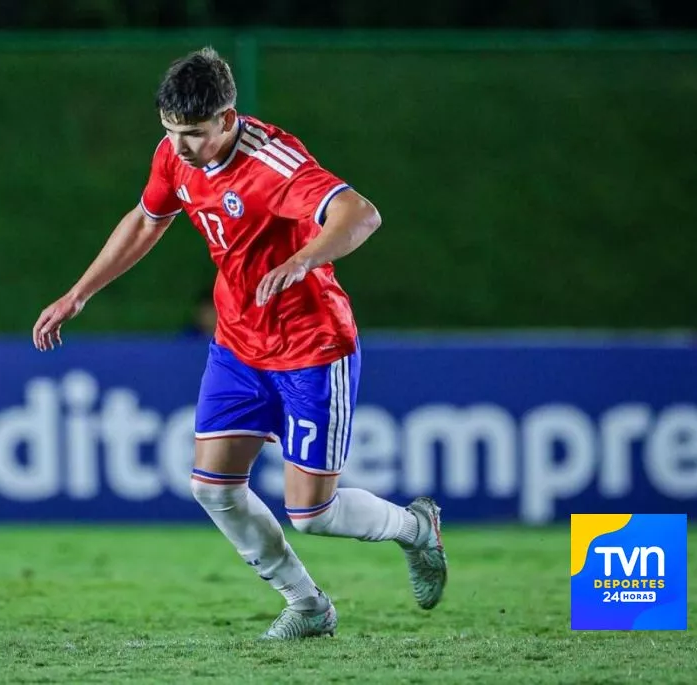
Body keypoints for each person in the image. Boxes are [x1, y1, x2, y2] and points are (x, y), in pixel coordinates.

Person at [31, 47, 447, 639]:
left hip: (311, 345)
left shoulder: (273, 162)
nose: (179, 147)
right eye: (170, 132)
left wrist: (305, 258)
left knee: (313, 513)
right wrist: (78, 294)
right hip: (238, 345)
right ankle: (307, 606)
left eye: (194, 134)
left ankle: (416, 529)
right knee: (213, 487)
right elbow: (147, 219)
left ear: (228, 119)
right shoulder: (175, 155)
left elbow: (361, 213)